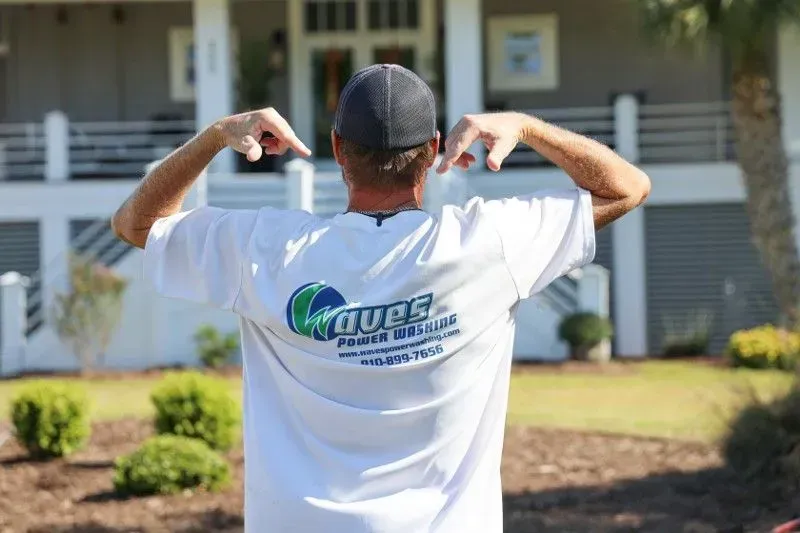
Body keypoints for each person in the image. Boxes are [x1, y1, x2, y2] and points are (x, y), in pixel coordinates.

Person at [112, 64, 650, 533]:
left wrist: (215, 136)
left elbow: (137, 224)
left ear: (338, 148)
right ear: (436, 149)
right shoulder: (486, 244)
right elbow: (626, 188)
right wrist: (526, 127)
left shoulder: (267, 249)